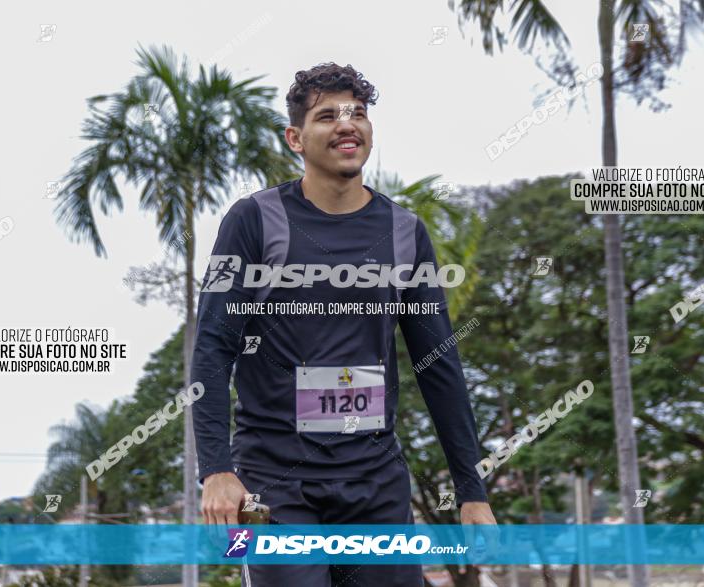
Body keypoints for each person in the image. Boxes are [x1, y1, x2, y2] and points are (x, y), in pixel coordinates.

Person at [191, 62, 496, 587]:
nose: (346, 125)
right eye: (327, 116)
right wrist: (216, 468)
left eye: (357, 114)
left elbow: (438, 366)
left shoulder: (404, 232)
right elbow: (213, 348)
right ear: (296, 138)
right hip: (277, 480)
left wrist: (472, 492)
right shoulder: (253, 221)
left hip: (374, 480)